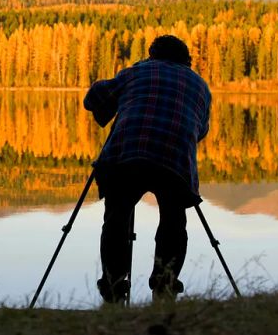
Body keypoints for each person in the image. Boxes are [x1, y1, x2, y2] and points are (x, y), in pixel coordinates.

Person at [83, 35, 211, 304]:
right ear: (186, 61)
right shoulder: (200, 85)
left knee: (117, 218)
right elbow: (201, 130)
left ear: (152, 55)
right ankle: (164, 285)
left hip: (127, 154)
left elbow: (94, 97)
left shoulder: (138, 71)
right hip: (175, 160)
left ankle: (114, 286)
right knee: (174, 221)